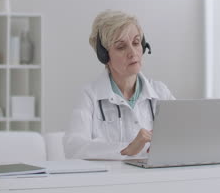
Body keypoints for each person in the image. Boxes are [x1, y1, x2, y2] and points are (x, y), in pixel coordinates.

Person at [63, 10, 175, 160]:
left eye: (136, 43)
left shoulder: (160, 92)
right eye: (121, 47)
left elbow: (183, 137)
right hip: (111, 182)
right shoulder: (90, 95)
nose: (132, 52)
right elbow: (74, 148)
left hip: (154, 179)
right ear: (104, 55)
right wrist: (128, 148)